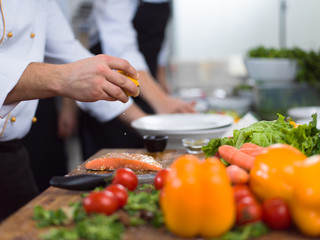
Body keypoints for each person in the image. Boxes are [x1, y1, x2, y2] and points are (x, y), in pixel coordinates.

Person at [0, 0, 145, 222]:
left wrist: (149, 124)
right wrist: (61, 77)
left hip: (12, 161)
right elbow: (70, 72)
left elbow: (75, 58)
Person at [79, 0, 196, 159]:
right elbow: (122, 49)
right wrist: (160, 100)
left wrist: (165, 93)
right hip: (112, 93)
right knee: (115, 164)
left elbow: (159, 44)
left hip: (147, 87)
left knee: (150, 160)